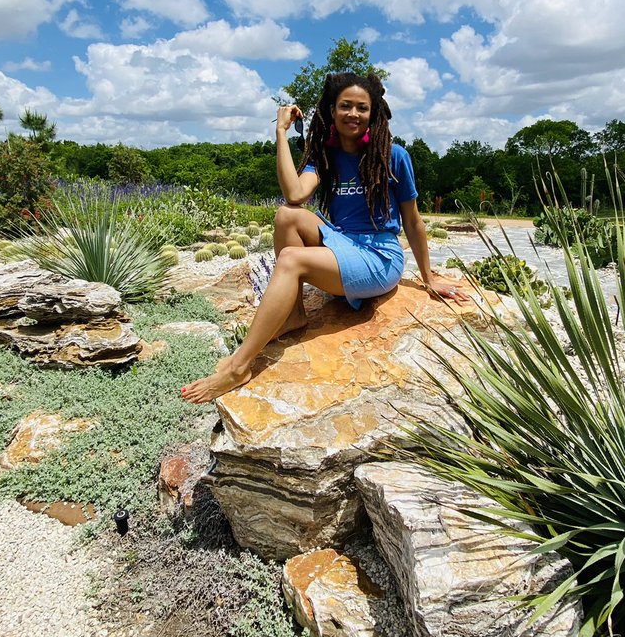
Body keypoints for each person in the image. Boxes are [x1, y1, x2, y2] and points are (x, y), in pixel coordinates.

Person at [181, 71, 468, 404]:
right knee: (286, 214)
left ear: (374, 113)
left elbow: (413, 221)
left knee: (291, 259)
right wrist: (280, 130)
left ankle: (239, 366)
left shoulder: (395, 156)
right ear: (331, 110)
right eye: (345, 106)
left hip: (379, 256)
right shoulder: (325, 156)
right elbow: (294, 193)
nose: (354, 114)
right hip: (342, 242)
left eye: (362, 108)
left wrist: (428, 277)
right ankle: (294, 315)